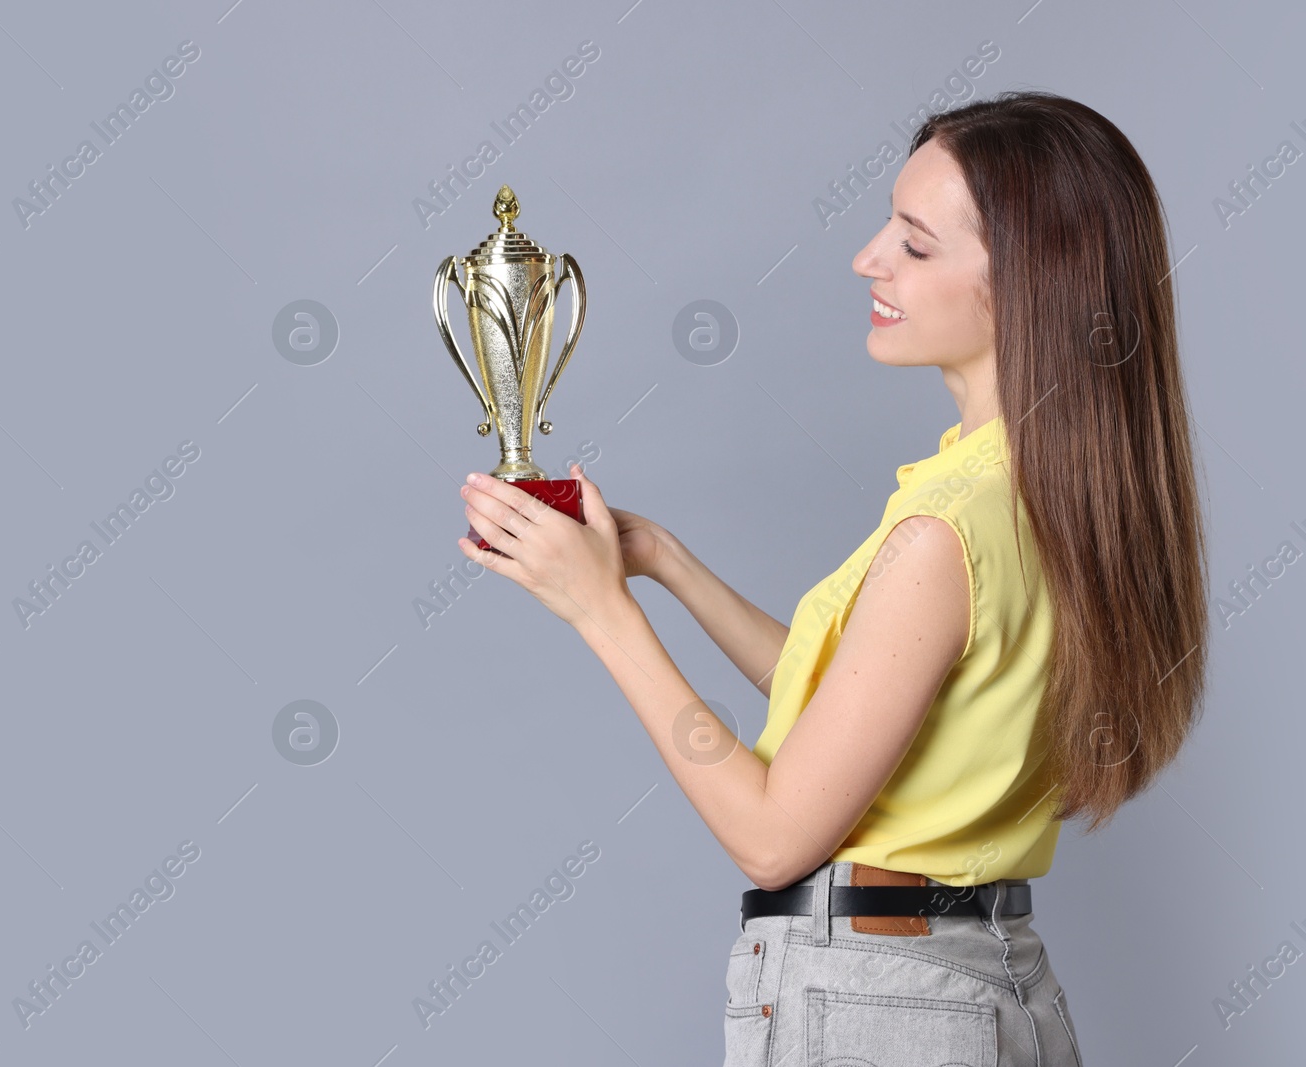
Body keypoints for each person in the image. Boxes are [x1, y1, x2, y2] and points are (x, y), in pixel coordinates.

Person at [454, 90, 1208, 1066]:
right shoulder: (1035, 491)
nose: (868, 256)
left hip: (883, 1002)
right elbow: (854, 710)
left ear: (1029, 281)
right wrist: (665, 566)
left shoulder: (948, 528)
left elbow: (773, 835)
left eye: (916, 242)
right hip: (988, 982)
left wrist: (598, 611)